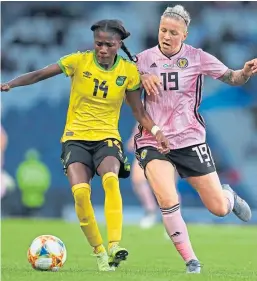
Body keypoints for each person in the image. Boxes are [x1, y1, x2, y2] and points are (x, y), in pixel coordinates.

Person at [1, 19, 169, 271]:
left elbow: (139, 111)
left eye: (108, 45)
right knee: (81, 194)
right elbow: (39, 73)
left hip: (107, 138)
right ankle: (99, 253)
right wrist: (11, 84)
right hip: (75, 138)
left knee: (111, 180)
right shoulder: (78, 61)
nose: (102, 49)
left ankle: (114, 245)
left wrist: (156, 131)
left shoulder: (128, 72)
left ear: (118, 45)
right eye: (98, 43)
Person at [134, 5, 257, 273]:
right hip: (153, 141)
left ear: (185, 35)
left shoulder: (198, 58)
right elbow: (125, 84)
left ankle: (228, 196)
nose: (166, 36)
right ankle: (192, 261)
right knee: (166, 198)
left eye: (173, 32)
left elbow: (233, 78)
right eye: (162, 30)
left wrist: (245, 72)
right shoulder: (142, 59)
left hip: (190, 141)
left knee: (218, 209)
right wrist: (140, 76)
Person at [127, 123, 159, 229]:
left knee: (168, 184)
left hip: (168, 144)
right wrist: (134, 137)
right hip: (145, 146)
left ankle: (174, 217)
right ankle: (150, 212)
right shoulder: (147, 107)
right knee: (138, 180)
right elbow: (142, 116)